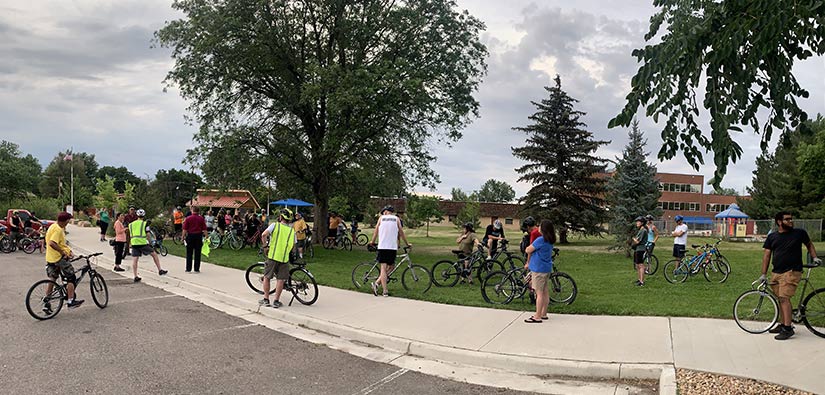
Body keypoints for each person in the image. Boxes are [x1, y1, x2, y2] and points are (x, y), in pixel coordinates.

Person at [760, 211, 821, 340]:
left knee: (783, 297)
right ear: (779, 222)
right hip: (776, 272)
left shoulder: (799, 233)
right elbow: (766, 255)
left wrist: (815, 257)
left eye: (791, 219)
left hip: (792, 271)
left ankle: (788, 329)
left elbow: (809, 244)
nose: (791, 221)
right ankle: (783, 324)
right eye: (787, 219)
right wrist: (763, 274)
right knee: (780, 299)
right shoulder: (772, 237)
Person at [369, 205, 411, 297]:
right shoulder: (396, 219)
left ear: (385, 212)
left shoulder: (381, 218)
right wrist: (407, 244)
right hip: (392, 247)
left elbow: (376, 230)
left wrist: (372, 242)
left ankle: (377, 283)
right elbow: (401, 232)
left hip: (383, 246)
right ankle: (385, 290)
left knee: (386, 268)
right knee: (390, 267)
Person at [44, 212, 83, 310]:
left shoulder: (53, 226)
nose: (68, 223)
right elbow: (52, 243)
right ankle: (71, 301)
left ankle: (47, 300)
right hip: (58, 258)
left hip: (50, 258)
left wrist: (68, 251)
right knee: (71, 278)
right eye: (68, 221)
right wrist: (63, 253)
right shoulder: (58, 230)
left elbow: (60, 243)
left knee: (52, 278)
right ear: (65, 221)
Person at [259, 209, 297, 308]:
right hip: (284, 258)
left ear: (281, 217)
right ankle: (276, 301)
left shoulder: (275, 225)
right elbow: (293, 246)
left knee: (267, 277)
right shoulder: (291, 231)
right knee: (280, 280)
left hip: (272, 256)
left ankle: (266, 299)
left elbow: (263, 235)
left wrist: (265, 246)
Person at [524, 219, 556, 323]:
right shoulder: (550, 240)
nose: (539, 228)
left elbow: (528, 249)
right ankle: (544, 313)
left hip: (538, 269)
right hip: (546, 268)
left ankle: (537, 316)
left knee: (539, 294)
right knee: (545, 291)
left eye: (540, 226)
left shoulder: (540, 240)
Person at [126, 209, 168, 283]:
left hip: (134, 243)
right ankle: (160, 270)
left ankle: (135, 276)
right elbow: (148, 234)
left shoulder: (131, 224)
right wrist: (151, 243)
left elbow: (129, 235)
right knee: (154, 254)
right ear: (144, 216)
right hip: (142, 243)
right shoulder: (145, 224)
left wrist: (129, 243)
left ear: (137, 215)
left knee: (135, 260)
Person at [183, 206, 208, 273]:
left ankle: (188, 268)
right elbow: (204, 228)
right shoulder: (201, 218)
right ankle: (196, 269)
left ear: (192, 210)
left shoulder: (188, 218)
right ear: (198, 211)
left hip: (190, 236)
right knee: (197, 253)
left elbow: (185, 229)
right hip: (198, 236)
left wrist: (183, 236)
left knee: (189, 253)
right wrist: (206, 236)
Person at [631, 216, 648, 286]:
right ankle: (639, 279)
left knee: (640, 265)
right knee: (637, 265)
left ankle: (642, 282)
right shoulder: (641, 230)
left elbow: (638, 241)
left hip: (641, 249)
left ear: (642, 223)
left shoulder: (643, 230)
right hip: (637, 249)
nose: (636, 223)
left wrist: (633, 239)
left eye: (638, 222)